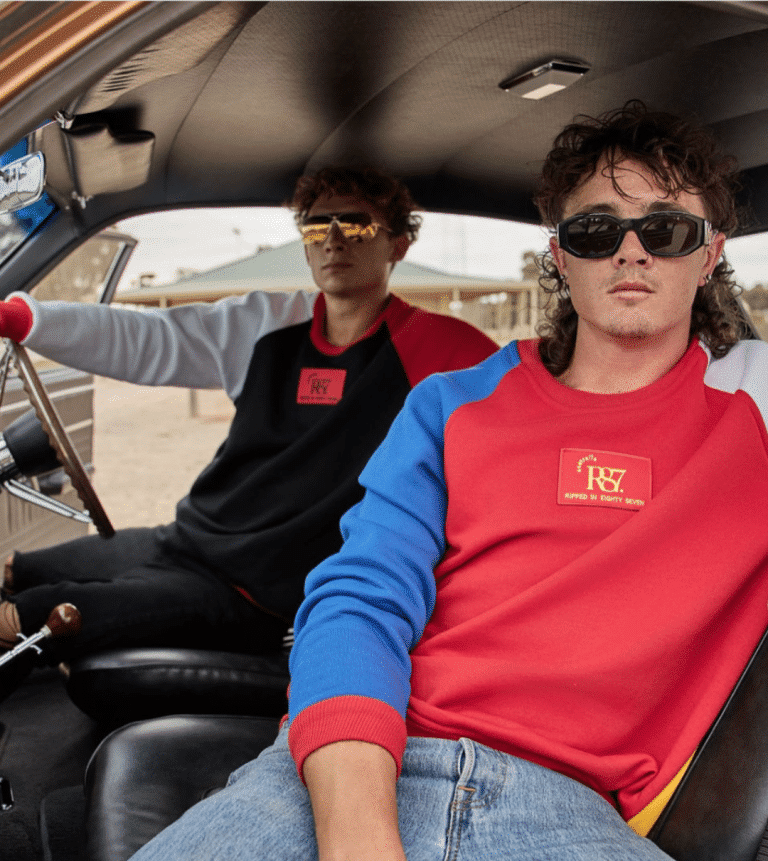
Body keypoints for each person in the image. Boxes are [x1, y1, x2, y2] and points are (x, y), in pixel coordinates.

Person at [1, 102, 768, 861]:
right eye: (597, 230)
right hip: (364, 772)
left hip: (564, 825)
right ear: (560, 255)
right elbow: (357, 603)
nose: (631, 252)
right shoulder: (454, 404)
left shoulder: (752, 405)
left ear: (709, 253)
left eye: (666, 229)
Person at [0, 167, 495, 678]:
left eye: (357, 225)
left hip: (253, 594)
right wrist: (24, 320)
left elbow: (523, 420)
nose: (333, 240)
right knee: (20, 570)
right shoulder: (268, 325)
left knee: (27, 616)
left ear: (398, 245)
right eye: (317, 226)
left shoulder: (446, 353)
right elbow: (149, 338)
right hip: (184, 542)